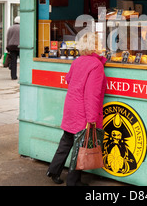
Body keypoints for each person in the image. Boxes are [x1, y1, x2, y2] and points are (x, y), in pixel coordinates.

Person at [46, 32, 107, 186]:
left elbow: (68, 79)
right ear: (94, 46)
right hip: (83, 112)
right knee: (80, 147)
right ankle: (73, 182)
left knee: (66, 141)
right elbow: (92, 95)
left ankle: (53, 170)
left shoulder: (77, 61)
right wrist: (92, 119)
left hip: (71, 108)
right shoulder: (96, 65)